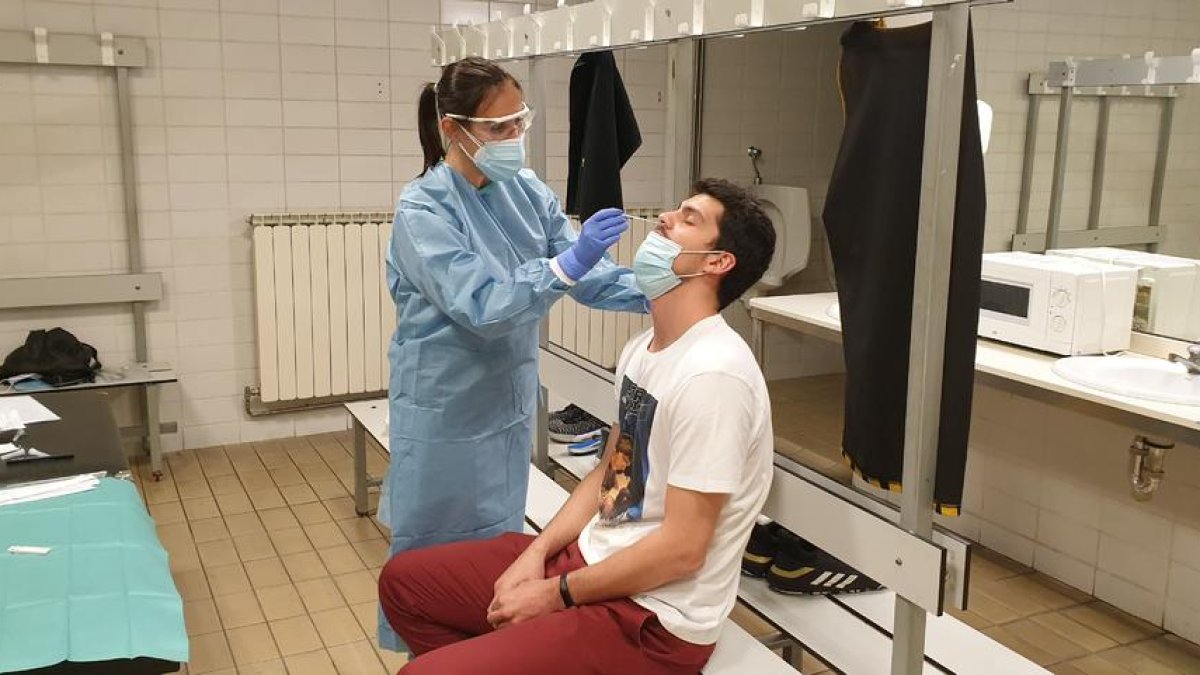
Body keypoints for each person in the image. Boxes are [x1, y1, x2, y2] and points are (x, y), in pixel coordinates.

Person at [379, 178, 778, 673]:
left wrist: (556, 593)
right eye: (675, 209)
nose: (665, 218)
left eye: (688, 219)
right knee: (405, 583)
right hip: (593, 563)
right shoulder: (644, 350)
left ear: (717, 262)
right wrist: (539, 552)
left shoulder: (714, 375)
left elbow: (682, 551)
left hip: (653, 618)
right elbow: (611, 472)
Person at [379, 57, 648, 650]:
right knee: (437, 545)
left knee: (498, 539)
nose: (514, 139)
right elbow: (482, 303)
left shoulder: (526, 191)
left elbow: (586, 274)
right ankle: (437, 649)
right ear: (454, 129)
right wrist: (563, 265)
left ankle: (490, 639)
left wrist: (660, 290)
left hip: (504, 399)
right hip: (445, 403)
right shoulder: (424, 210)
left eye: (519, 122)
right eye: (498, 129)